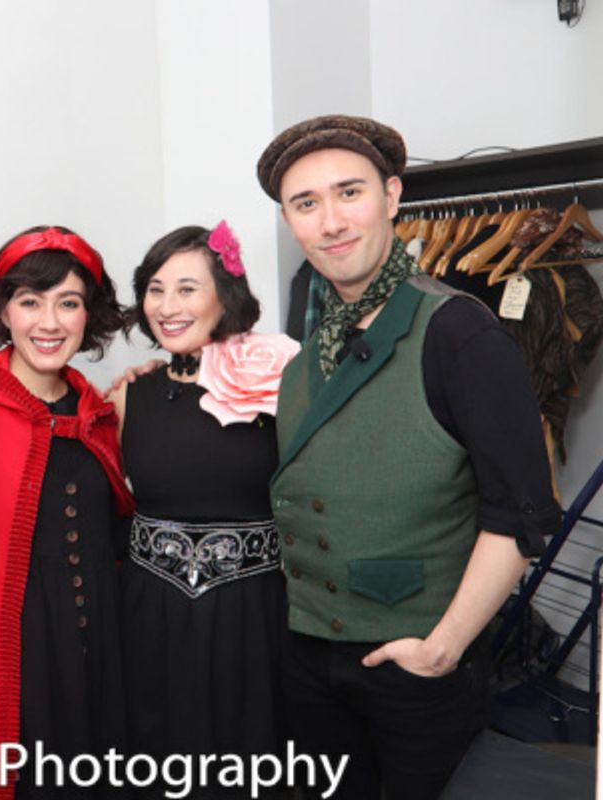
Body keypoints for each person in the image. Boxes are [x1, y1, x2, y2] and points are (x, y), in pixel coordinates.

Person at [257, 114, 561, 799]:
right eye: (306, 205)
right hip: (309, 659)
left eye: (349, 192)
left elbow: (522, 510)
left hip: (418, 667)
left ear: (392, 196)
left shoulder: (458, 331)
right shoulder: (303, 362)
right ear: (291, 222)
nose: (331, 221)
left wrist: (444, 647)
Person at [0, 226, 134, 799]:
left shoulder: (99, 413)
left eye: (68, 303)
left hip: (99, 661)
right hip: (14, 666)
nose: (49, 322)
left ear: (88, 315)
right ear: (3, 311)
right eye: (30, 302)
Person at [108, 223, 296, 791]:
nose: (167, 306)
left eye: (187, 289)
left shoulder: (278, 386)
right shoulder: (127, 393)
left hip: (253, 612)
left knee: (249, 759)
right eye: (156, 289)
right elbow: (111, 497)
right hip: (149, 613)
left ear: (225, 294)